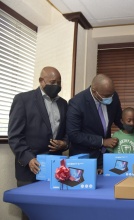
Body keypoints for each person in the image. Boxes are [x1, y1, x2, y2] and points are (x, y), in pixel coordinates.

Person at [8, 66, 68, 220]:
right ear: (42, 81)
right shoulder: (23, 99)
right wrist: (28, 158)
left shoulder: (63, 103)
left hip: (55, 168)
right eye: (53, 82)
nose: (57, 85)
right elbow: (15, 136)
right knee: (31, 213)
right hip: (30, 169)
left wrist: (65, 143)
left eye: (59, 82)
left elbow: (68, 133)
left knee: (53, 211)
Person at [66, 74, 123, 173]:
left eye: (111, 94)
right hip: (84, 158)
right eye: (106, 96)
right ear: (94, 91)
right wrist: (102, 141)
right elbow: (73, 134)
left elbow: (119, 119)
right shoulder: (77, 103)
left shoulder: (113, 96)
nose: (110, 98)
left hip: (105, 157)